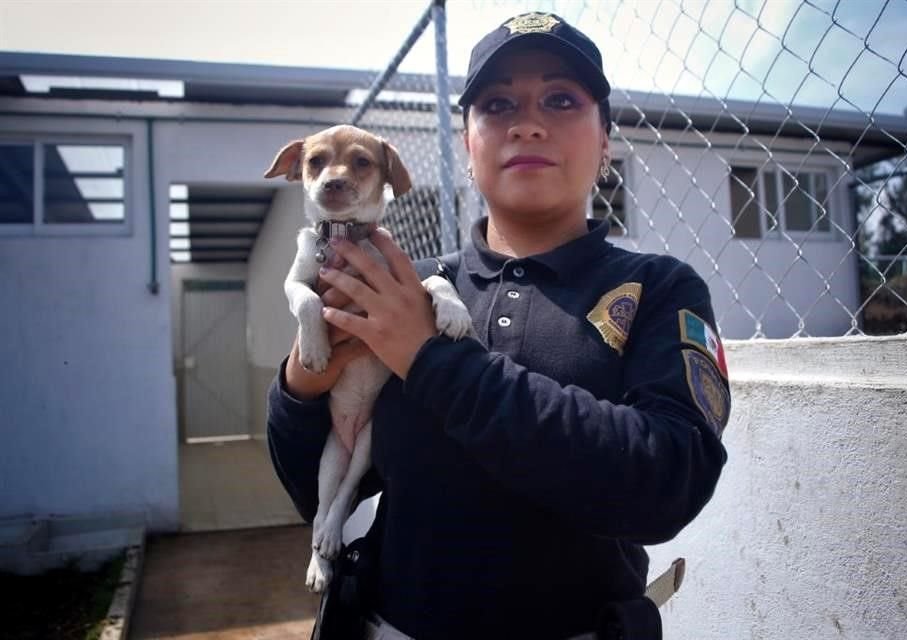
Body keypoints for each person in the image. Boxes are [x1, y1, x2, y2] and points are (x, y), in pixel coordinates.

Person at [267, 11, 729, 640]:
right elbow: (311, 487)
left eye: (562, 100)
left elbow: (668, 484)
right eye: (498, 104)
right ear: (467, 143)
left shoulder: (660, 289)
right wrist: (301, 383)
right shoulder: (406, 284)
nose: (528, 122)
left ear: (605, 141)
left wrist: (431, 359)